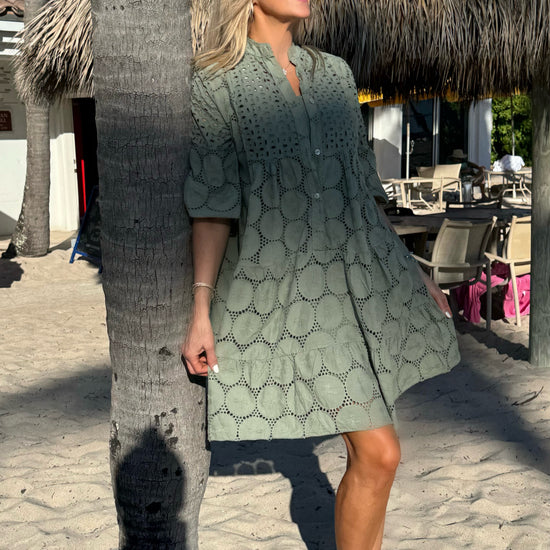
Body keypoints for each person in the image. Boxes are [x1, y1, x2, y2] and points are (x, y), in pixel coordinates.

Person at [182, 1, 460, 548]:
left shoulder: (334, 74)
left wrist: (411, 268)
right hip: (288, 296)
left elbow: (364, 187)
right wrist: (200, 311)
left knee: (376, 456)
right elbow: (213, 204)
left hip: (362, 280)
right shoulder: (215, 82)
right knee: (380, 452)